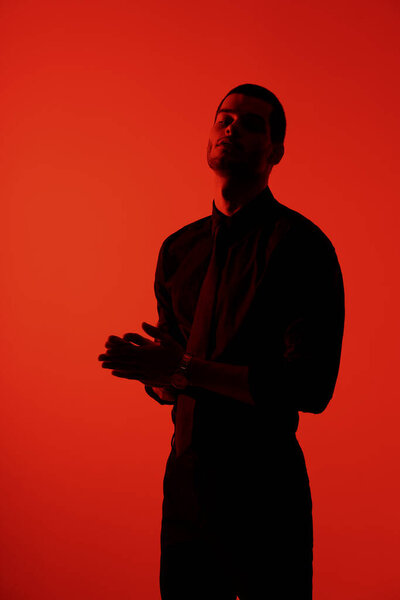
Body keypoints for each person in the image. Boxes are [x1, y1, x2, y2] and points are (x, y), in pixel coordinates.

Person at [98, 83, 345, 599]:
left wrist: (185, 368)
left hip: (265, 494)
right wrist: (159, 376)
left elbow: (310, 387)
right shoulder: (177, 250)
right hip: (185, 490)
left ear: (276, 152)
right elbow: (174, 378)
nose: (232, 127)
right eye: (224, 118)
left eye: (252, 123)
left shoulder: (302, 246)